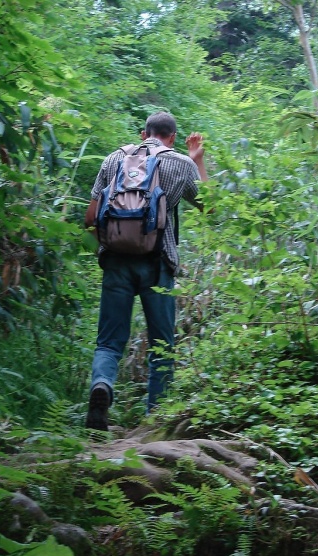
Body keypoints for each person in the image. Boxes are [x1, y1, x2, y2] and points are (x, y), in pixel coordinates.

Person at [84, 111, 208, 431]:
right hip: (158, 264)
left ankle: (102, 386)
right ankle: (154, 423)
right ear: (172, 138)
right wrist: (197, 160)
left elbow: (90, 217)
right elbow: (213, 204)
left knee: (108, 342)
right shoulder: (181, 163)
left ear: (144, 133)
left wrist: (113, 245)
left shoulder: (114, 159)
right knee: (162, 345)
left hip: (115, 262)